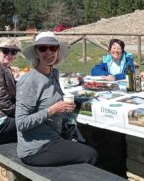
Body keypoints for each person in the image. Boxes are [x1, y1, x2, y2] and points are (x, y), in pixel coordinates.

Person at [16, 31, 98, 166]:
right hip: (36, 148)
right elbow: (21, 123)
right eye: (43, 48)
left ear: (58, 50)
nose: (48, 52)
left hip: (54, 136)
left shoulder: (53, 73)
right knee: (90, 155)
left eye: (53, 48)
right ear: (36, 52)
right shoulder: (29, 81)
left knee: (89, 141)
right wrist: (52, 110)